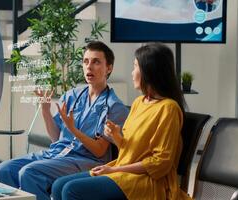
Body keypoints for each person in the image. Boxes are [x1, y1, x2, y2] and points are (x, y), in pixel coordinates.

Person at [51, 43, 192, 200]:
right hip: (123, 170)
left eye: (135, 67)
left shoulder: (168, 108)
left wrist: (114, 170)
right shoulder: (139, 102)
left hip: (148, 181)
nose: (132, 73)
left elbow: (160, 163)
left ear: (150, 71)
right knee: (58, 185)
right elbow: (129, 149)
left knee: (72, 190)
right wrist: (116, 136)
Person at [0, 41, 129, 200]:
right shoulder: (72, 95)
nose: (89, 67)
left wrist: (73, 130)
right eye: (86, 61)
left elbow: (99, 151)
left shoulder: (114, 107)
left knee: (30, 173)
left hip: (86, 160)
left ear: (109, 68)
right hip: (57, 153)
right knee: (4, 169)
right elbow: (56, 138)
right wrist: (45, 110)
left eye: (96, 62)